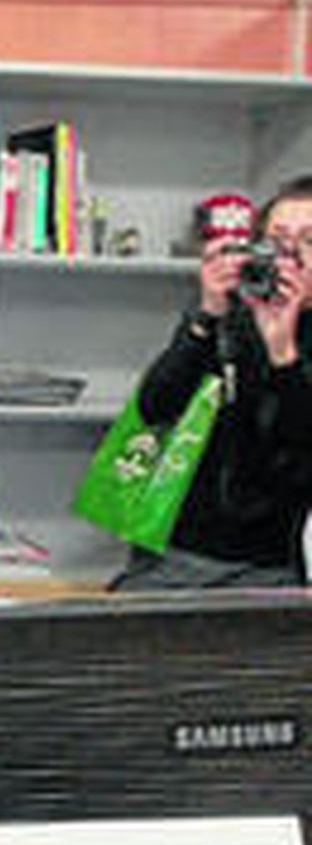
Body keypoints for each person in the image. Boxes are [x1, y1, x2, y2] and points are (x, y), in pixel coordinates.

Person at [110, 176, 312, 590]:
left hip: (271, 566)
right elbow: (155, 408)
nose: (290, 256)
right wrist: (206, 315)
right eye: (277, 240)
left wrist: (283, 353)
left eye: (308, 242)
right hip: (178, 553)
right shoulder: (233, 317)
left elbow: (302, 455)